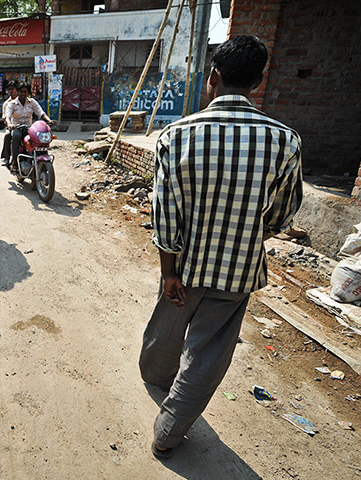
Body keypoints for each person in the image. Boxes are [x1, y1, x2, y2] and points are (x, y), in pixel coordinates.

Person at [140, 35, 303, 459]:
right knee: (207, 354)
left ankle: (156, 377)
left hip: (185, 264)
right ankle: (169, 432)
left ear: (213, 76)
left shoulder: (176, 136)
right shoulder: (285, 140)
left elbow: (165, 215)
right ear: (258, 81)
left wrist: (168, 271)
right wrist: (249, 231)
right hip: (237, 271)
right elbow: (283, 215)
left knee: (168, 326)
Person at [4, 82, 54, 172]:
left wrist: (49, 120)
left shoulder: (32, 102)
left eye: (25, 92)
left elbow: (41, 113)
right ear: (18, 92)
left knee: (38, 139)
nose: (23, 94)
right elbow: (7, 116)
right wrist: (9, 124)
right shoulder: (12, 104)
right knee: (16, 136)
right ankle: (15, 162)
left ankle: (37, 157)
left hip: (29, 128)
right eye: (21, 91)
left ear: (28, 93)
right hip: (17, 128)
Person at [0, 80, 18, 167]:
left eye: (12, 89)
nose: (10, 91)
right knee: (7, 136)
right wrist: (9, 124)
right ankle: (5, 157)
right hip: (12, 127)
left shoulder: (25, 100)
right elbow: (5, 117)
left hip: (25, 126)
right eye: (9, 89)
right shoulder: (6, 103)